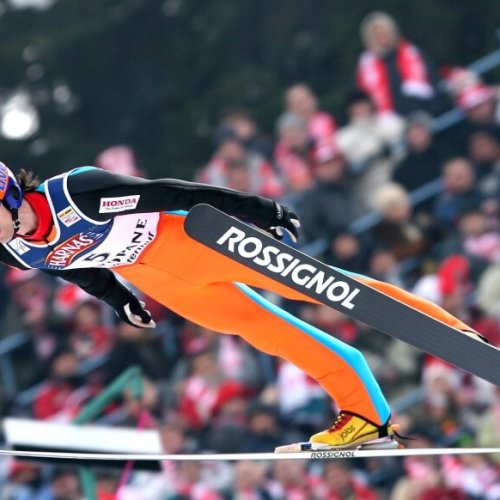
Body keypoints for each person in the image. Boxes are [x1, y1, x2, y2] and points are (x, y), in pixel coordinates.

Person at [0, 161, 483, 450]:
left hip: (188, 239)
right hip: (160, 279)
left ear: (10, 194)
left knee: (317, 285)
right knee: (267, 332)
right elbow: (69, 265)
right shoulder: (13, 248)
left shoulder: (77, 193)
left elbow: (172, 191)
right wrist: (119, 298)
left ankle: (452, 330)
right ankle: (364, 415)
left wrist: (259, 209)